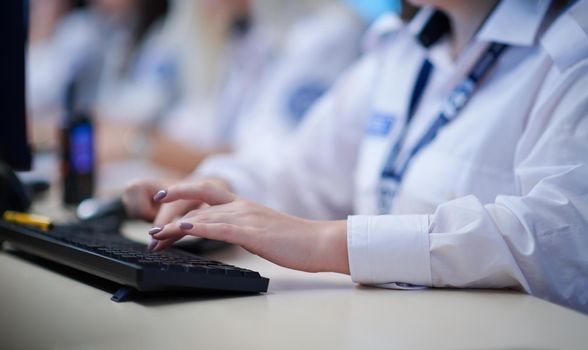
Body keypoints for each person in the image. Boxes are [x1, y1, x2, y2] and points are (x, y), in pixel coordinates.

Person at [123, 0, 588, 313]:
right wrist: (218, 193)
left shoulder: (574, 51)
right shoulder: (401, 51)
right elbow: (299, 169)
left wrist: (332, 243)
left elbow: (563, 240)